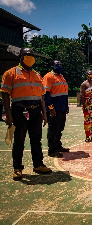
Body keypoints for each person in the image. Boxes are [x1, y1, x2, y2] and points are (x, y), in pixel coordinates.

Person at [0, 47, 52, 180]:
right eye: (27, 55)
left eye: (32, 55)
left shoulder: (37, 75)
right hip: (19, 111)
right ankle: (17, 168)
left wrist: (44, 114)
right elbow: (5, 94)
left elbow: (41, 96)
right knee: (19, 140)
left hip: (35, 111)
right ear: (21, 56)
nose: (30, 57)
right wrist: (8, 115)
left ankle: (38, 164)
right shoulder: (11, 73)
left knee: (36, 140)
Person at [42, 60, 69, 158]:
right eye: (57, 65)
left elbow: (64, 93)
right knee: (53, 129)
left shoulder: (61, 77)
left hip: (62, 108)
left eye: (60, 64)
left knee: (59, 128)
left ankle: (58, 146)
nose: (59, 66)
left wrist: (66, 106)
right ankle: (52, 150)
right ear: (52, 66)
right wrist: (50, 107)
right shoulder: (49, 76)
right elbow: (46, 94)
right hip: (54, 109)